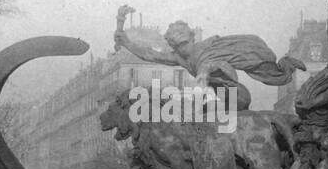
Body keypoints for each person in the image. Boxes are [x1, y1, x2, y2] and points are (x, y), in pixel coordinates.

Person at [114, 20, 303, 111]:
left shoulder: (206, 48)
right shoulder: (179, 58)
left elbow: (226, 69)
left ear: (191, 38)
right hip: (214, 99)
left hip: (235, 95)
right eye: (177, 46)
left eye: (185, 44)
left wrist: (206, 70)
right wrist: (127, 43)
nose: (183, 49)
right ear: (173, 46)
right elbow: (150, 55)